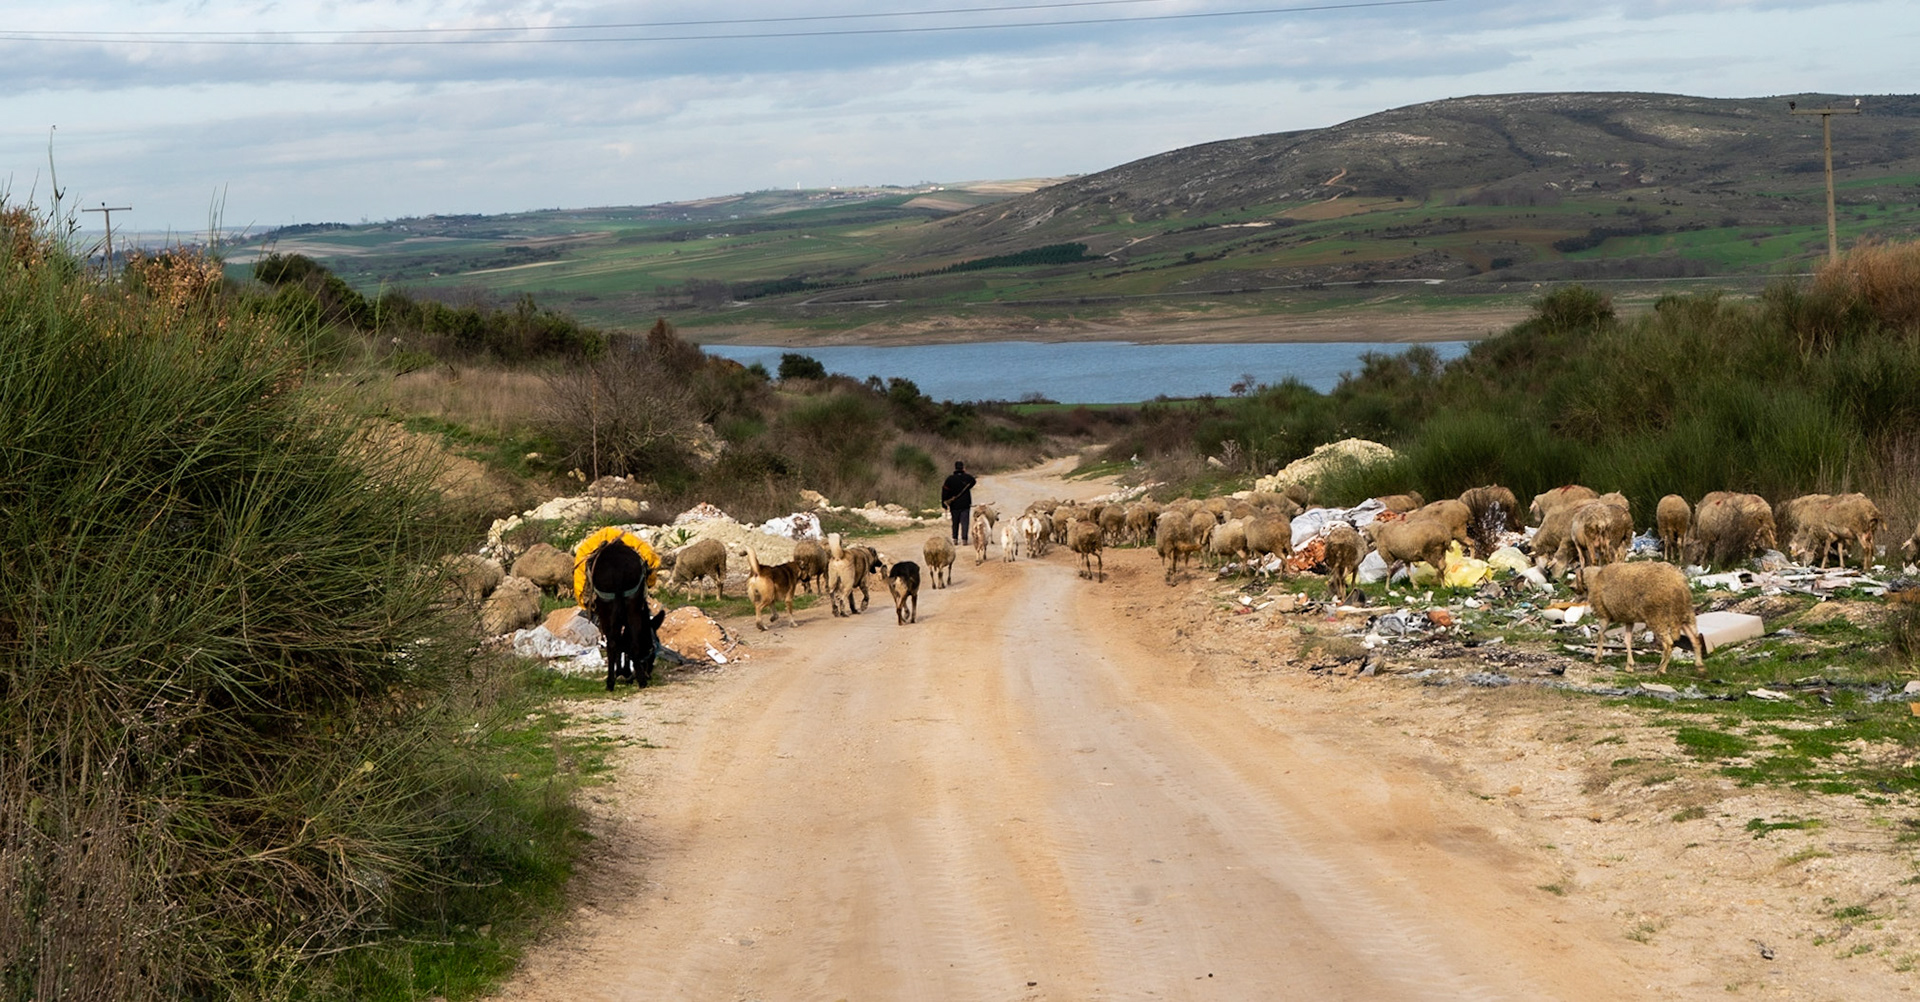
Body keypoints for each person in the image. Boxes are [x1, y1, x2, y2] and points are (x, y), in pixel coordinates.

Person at [941, 460, 977, 544]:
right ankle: (964, 539)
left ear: (955, 468)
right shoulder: (968, 477)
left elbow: (944, 491)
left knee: (955, 522)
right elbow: (973, 481)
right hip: (965, 504)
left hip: (954, 504)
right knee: (965, 522)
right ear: (963, 468)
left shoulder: (950, 479)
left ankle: (955, 539)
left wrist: (944, 503)